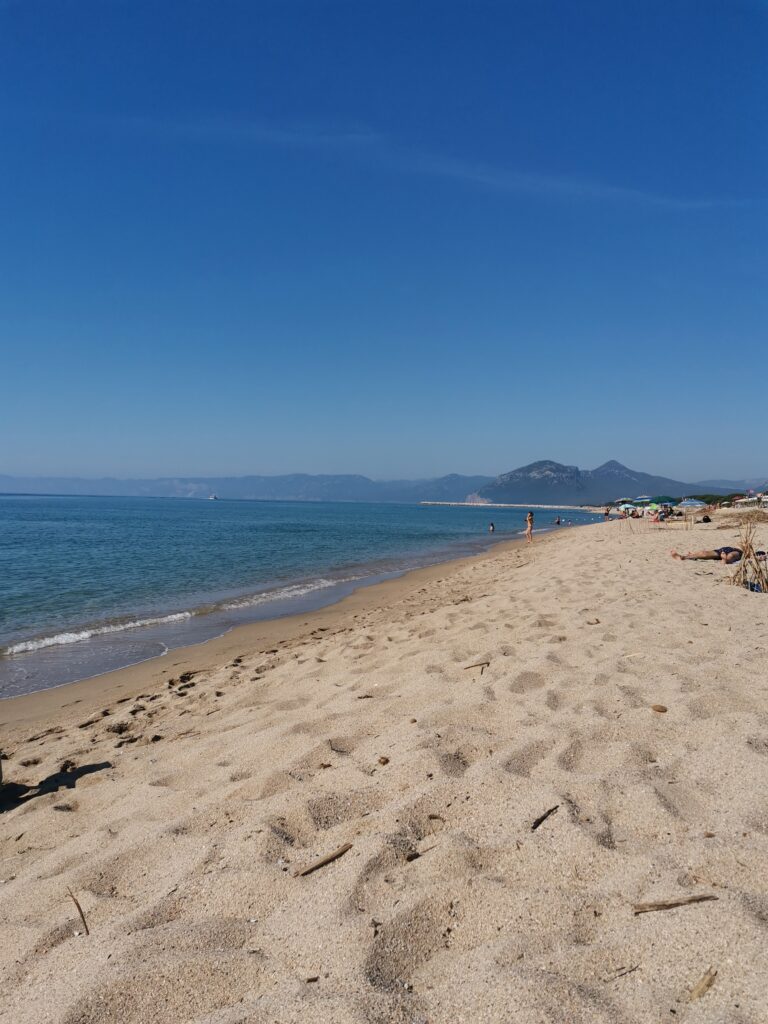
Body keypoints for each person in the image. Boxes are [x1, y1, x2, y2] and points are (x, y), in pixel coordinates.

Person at [670, 546, 766, 564]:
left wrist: (762, 557)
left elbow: (761, 557)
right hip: (725, 549)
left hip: (739, 553)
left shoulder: (758, 556)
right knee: (704, 553)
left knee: (731, 556)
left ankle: (725, 559)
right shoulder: (755, 553)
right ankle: (684, 557)